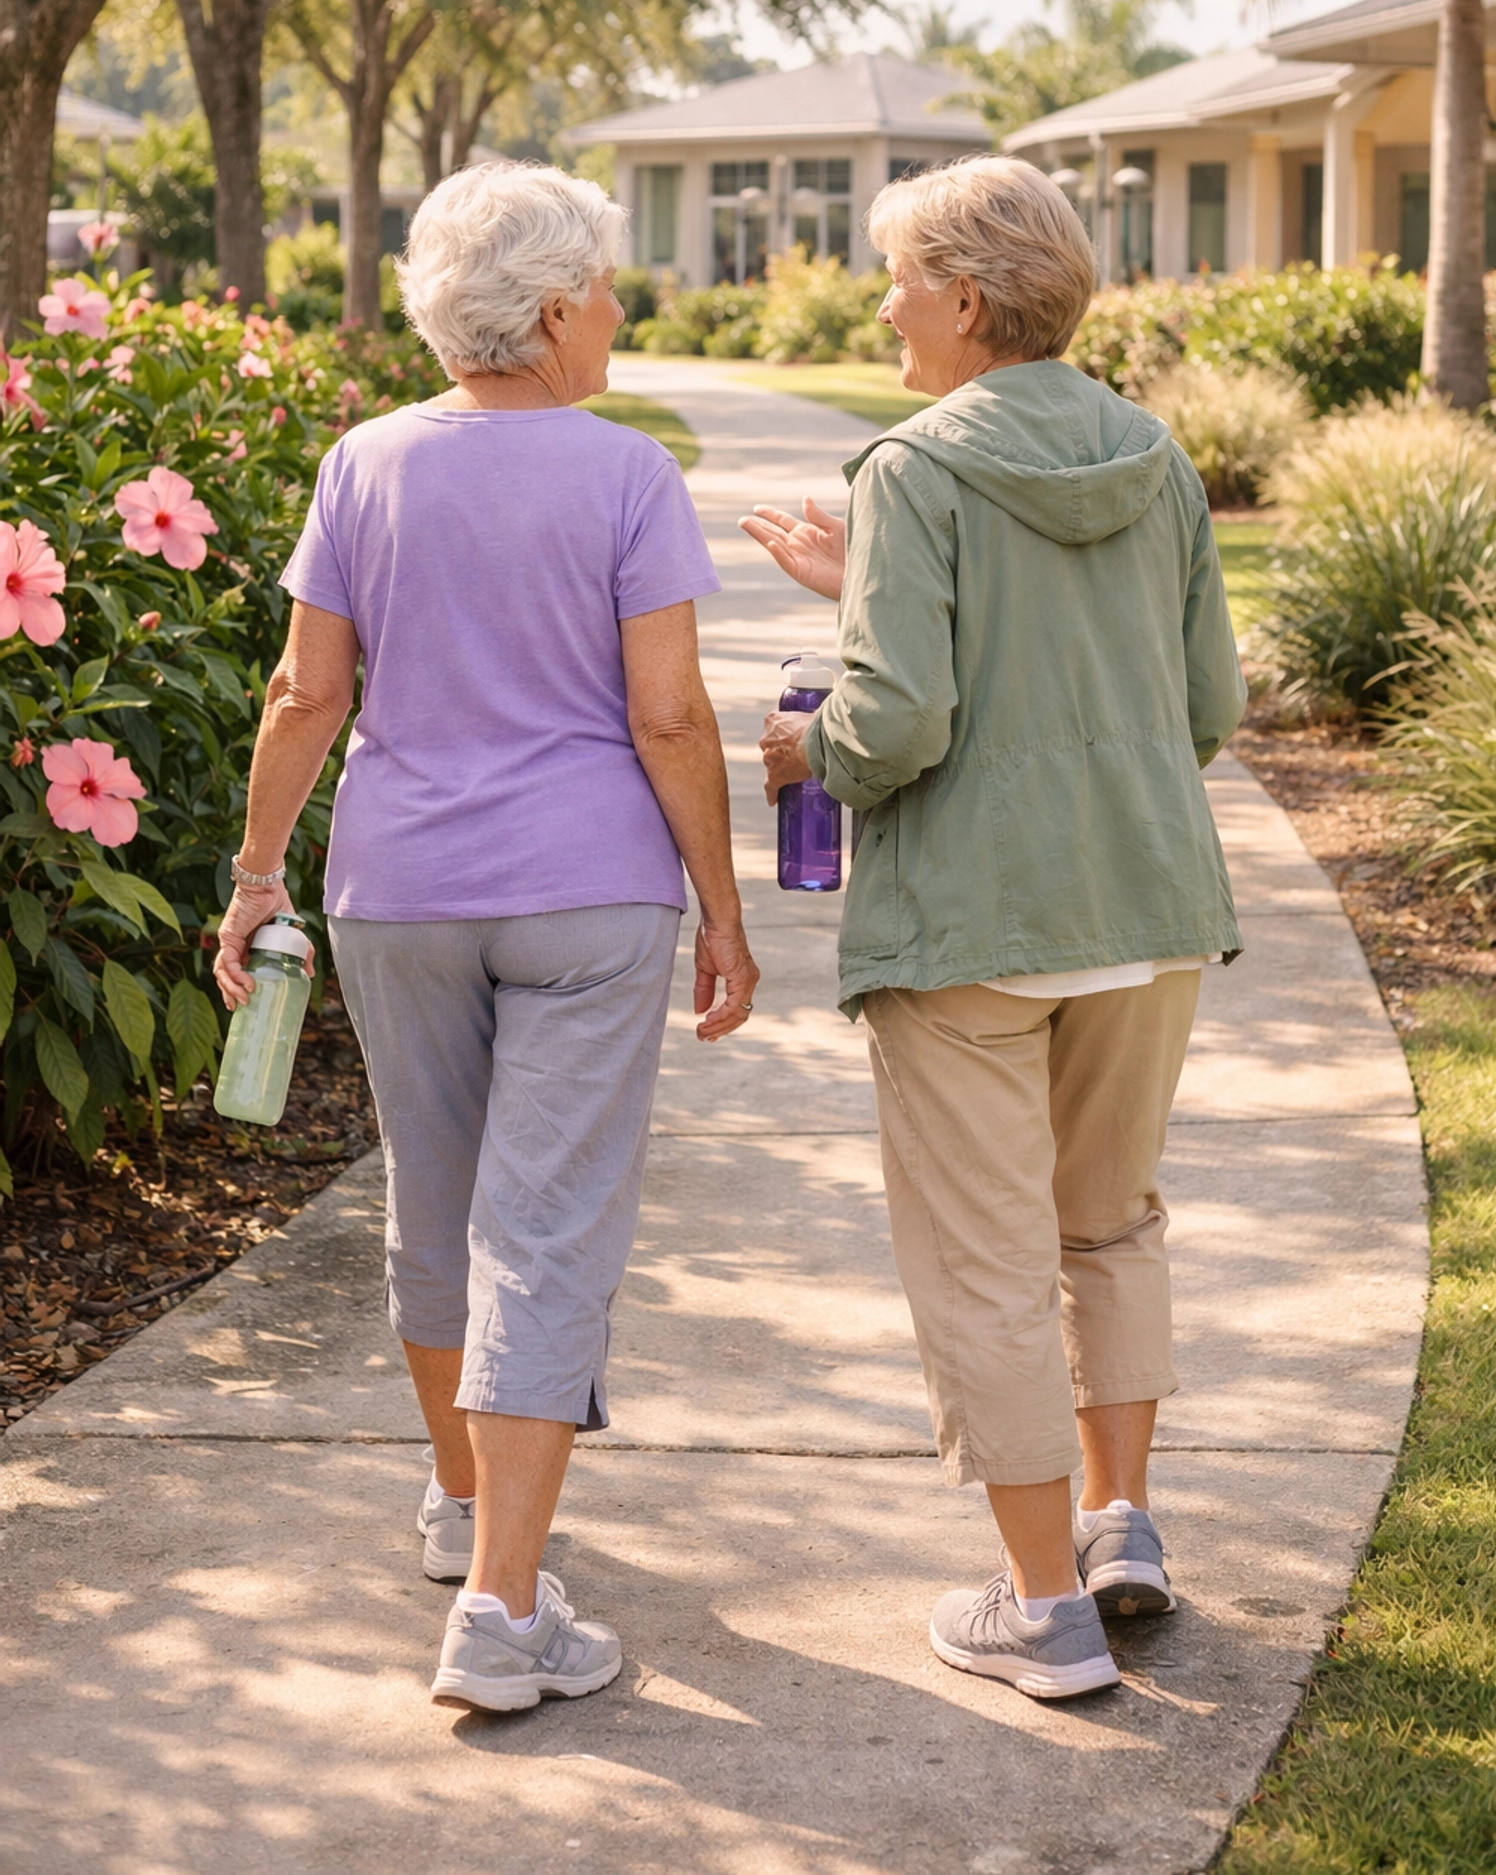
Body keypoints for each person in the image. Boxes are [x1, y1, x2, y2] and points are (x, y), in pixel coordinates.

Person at [215, 161, 758, 1715]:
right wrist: (722, 907)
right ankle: (507, 1613)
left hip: (400, 893)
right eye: (603, 290)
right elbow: (666, 712)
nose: (619, 315)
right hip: (588, 901)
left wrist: (258, 877)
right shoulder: (628, 475)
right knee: (549, 1232)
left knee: (436, 1208)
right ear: (543, 311)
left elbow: (306, 694)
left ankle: (465, 1511)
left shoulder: (365, 463)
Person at [745, 156, 1245, 1702]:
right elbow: (1209, 708)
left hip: (971, 931)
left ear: (965, 300)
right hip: (1147, 910)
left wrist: (800, 755)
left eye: (899, 277)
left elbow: (895, 725)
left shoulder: (916, 468)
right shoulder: (1154, 459)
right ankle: (1120, 1527)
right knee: (1110, 1226)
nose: (883, 303)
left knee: (984, 1265)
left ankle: (1043, 1613)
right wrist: (869, 588)